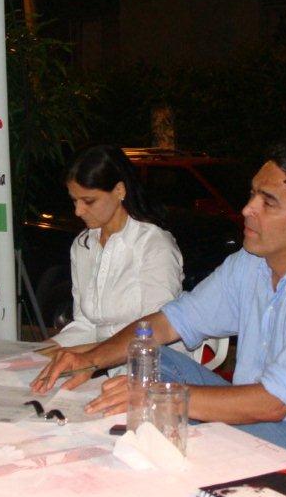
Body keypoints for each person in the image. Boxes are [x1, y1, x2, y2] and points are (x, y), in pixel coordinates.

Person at [32, 142, 286, 483]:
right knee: (151, 355)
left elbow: (272, 403)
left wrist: (156, 396)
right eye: (253, 193)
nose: (247, 209)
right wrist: (88, 358)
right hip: (266, 418)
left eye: (267, 202)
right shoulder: (251, 264)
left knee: (201, 477)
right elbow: (166, 322)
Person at [47, 145, 184, 359]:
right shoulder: (83, 245)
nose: (78, 211)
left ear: (119, 191)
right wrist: (42, 351)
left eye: (88, 201)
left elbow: (154, 333)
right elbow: (85, 325)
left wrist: (85, 355)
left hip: (153, 367)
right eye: (74, 200)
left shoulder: (153, 245)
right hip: (102, 363)